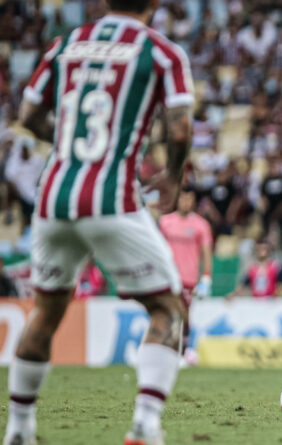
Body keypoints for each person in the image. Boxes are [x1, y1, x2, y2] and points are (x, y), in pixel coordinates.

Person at [5, 1, 194, 444]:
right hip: (112, 199)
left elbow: (28, 117)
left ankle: (18, 429)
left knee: (45, 314)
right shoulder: (161, 52)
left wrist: (70, 142)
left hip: (53, 199)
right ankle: (146, 425)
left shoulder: (65, 44)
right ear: (154, 4)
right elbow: (181, 129)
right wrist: (173, 175)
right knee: (169, 310)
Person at [159, 188, 213, 357]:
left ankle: (183, 351)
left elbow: (206, 252)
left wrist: (206, 277)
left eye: (190, 199)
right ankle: (166, 351)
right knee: (166, 313)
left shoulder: (200, 225)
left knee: (184, 315)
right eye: (183, 199)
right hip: (168, 277)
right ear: (177, 200)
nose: (186, 203)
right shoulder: (165, 222)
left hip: (188, 278)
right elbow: (157, 248)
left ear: (194, 202)